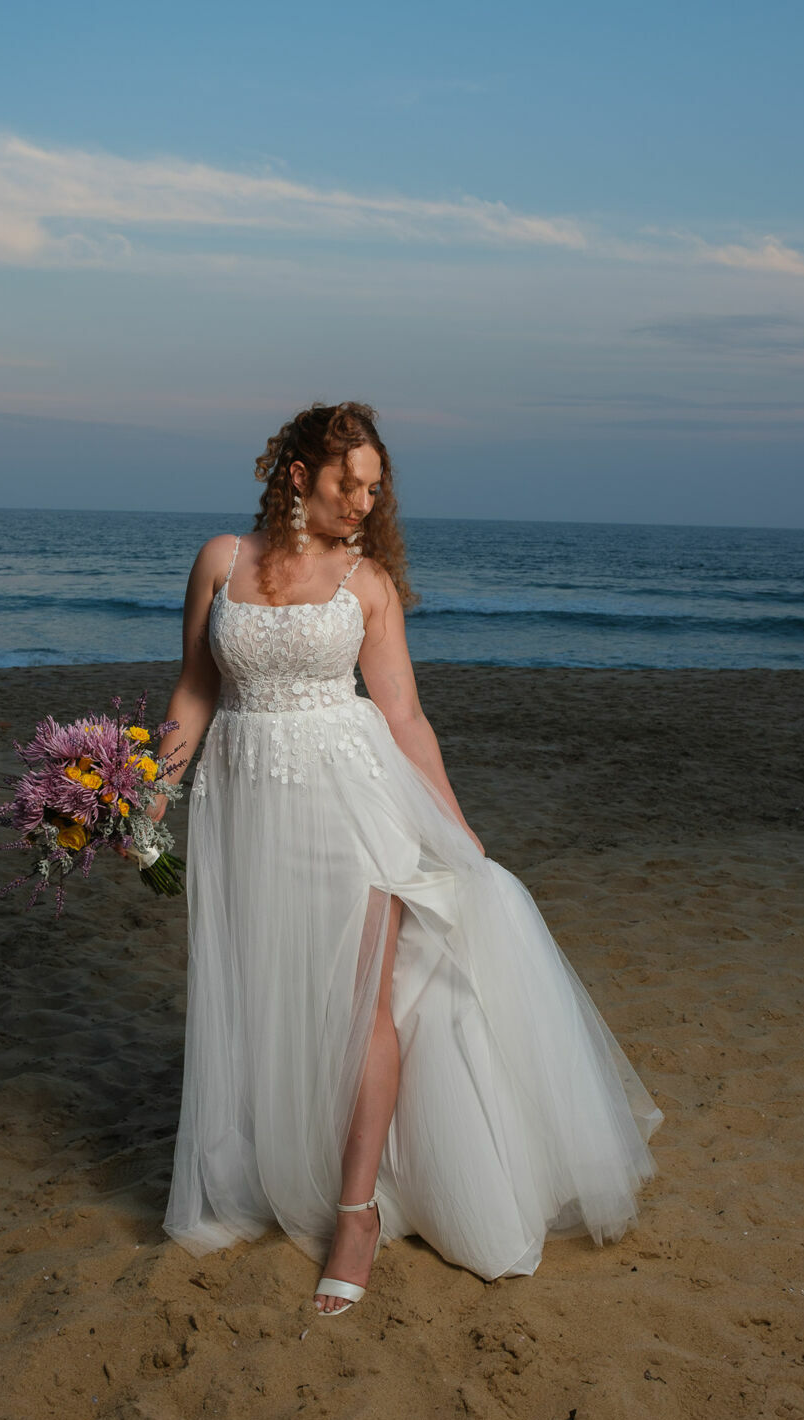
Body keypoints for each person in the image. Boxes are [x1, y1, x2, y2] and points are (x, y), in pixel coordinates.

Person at [143, 400, 664, 1316]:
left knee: (363, 1005)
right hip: (247, 807)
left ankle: (356, 1217)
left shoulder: (368, 582)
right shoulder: (220, 561)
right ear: (298, 473)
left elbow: (404, 717)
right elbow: (194, 690)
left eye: (375, 487)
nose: (363, 500)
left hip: (356, 805)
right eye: (350, 482)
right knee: (270, 993)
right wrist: (145, 792)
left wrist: (460, 832)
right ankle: (283, 1168)